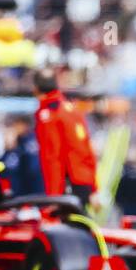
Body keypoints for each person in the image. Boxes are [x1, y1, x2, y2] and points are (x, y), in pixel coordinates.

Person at [33, 69, 97, 206]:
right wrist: (94, 187)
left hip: (67, 183)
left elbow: (53, 156)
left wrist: (54, 196)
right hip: (82, 181)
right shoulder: (71, 109)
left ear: (36, 89)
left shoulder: (49, 115)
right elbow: (87, 149)